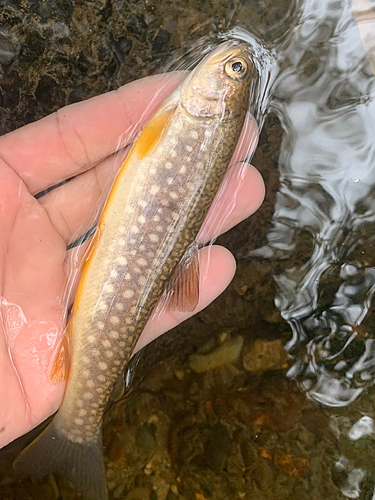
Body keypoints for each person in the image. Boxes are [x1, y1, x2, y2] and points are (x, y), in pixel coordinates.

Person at [0, 72, 265, 450]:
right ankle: (77, 425)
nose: (228, 68)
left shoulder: (187, 115)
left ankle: (77, 427)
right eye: (235, 69)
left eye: (233, 70)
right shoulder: (189, 115)